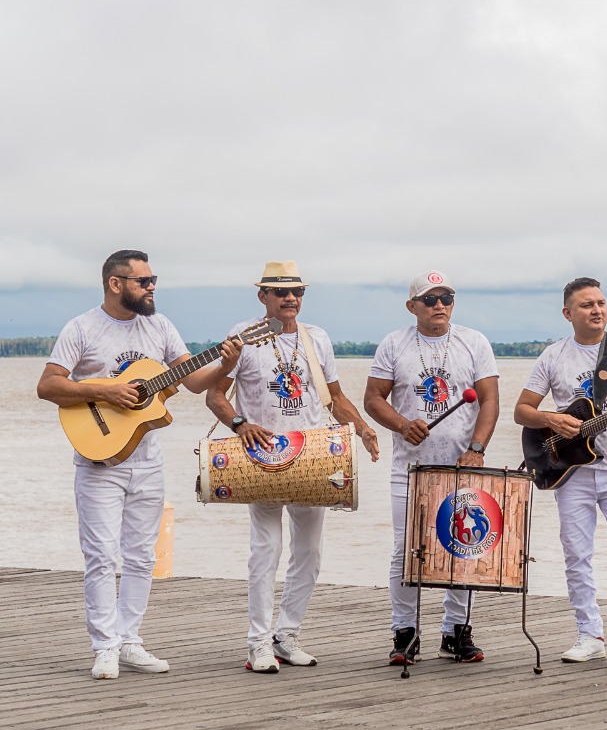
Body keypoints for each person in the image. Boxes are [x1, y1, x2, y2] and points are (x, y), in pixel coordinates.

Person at [38, 249, 241, 679]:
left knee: (141, 556)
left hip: (147, 459)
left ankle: (129, 640)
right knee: (100, 556)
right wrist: (106, 392)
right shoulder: (82, 328)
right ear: (116, 284)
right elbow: (49, 385)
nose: (152, 288)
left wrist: (227, 361)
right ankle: (104, 646)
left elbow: (191, 380)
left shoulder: (160, 326)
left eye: (153, 281)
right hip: (98, 461)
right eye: (143, 281)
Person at [206, 261, 379, 674]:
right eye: (280, 292)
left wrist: (361, 426)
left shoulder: (315, 338)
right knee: (265, 550)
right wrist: (239, 423)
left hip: (313, 455)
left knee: (309, 552)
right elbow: (214, 394)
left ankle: (287, 635)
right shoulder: (243, 337)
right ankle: (257, 643)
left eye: (297, 292)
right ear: (262, 296)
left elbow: (334, 397)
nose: (290, 298)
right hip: (262, 455)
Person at [514, 277, 607, 668]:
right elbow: (522, 411)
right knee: (577, 553)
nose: (596, 310)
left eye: (600, 303)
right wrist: (552, 419)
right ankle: (589, 633)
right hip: (571, 471)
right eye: (586, 305)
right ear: (568, 314)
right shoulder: (553, 355)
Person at [364, 271, 499, 666]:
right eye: (430, 298)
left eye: (447, 297)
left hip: (460, 466)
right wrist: (402, 424)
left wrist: (476, 448)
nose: (439, 304)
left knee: (462, 547)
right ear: (412, 307)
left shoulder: (474, 342)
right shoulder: (393, 343)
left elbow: (489, 400)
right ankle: (405, 633)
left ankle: (456, 632)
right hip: (410, 468)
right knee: (405, 550)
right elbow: (373, 399)